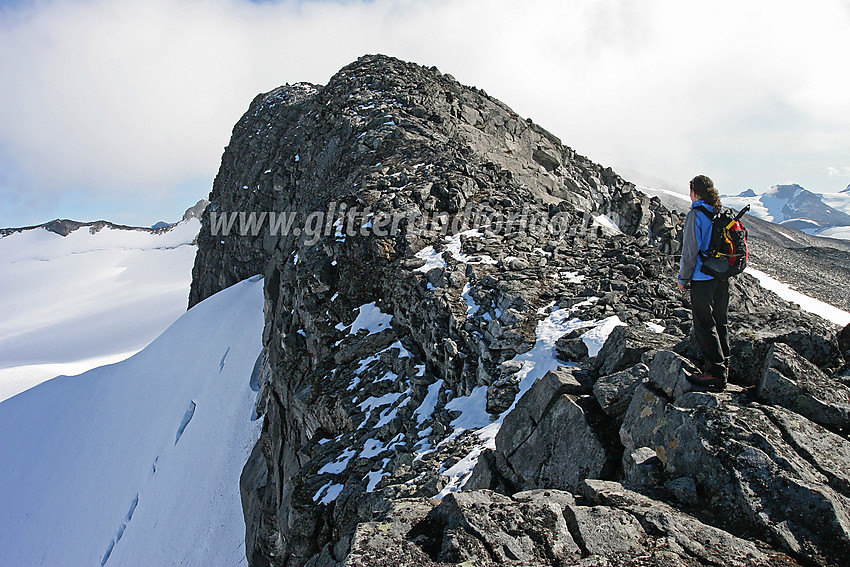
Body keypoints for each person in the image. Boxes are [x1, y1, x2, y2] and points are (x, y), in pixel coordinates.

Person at [677, 175, 729, 390]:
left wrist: (683, 278)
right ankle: (725, 366)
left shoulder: (696, 214)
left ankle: (715, 373)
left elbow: (690, 252)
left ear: (694, 192)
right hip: (721, 276)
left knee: (704, 324)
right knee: (720, 321)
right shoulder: (718, 212)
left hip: (702, 276)